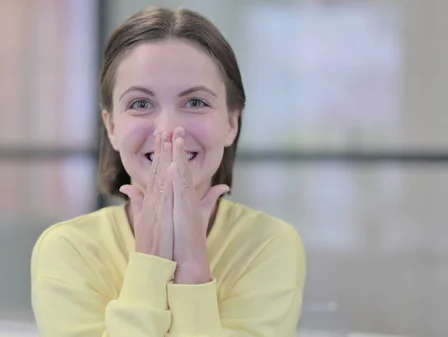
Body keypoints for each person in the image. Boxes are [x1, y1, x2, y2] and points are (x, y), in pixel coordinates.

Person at [31, 5, 306, 337]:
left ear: (232, 123)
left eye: (195, 102)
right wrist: (150, 261)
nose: (169, 130)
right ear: (112, 127)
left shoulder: (268, 244)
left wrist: (192, 268)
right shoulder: (68, 249)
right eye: (141, 104)